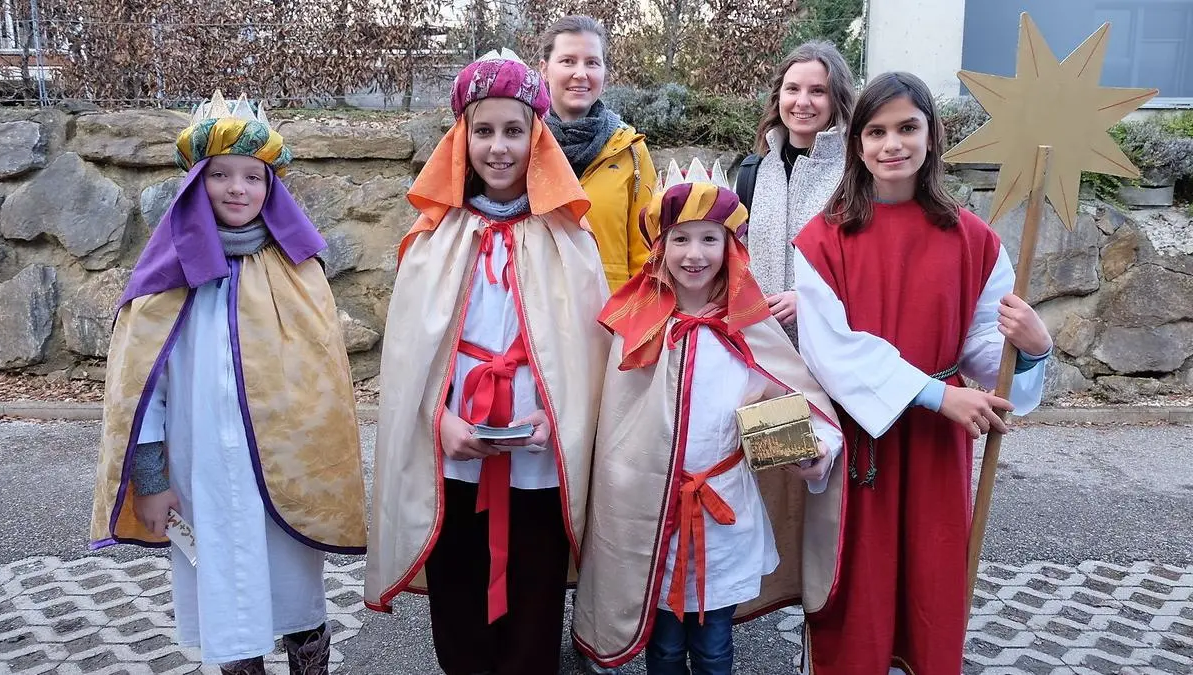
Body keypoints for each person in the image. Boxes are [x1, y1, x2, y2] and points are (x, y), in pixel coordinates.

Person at [90, 91, 367, 675]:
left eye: (252, 176)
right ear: (196, 181)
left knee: (295, 596)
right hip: (202, 475)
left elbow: (325, 386)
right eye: (220, 175)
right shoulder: (165, 278)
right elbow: (143, 393)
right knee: (226, 600)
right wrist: (151, 478)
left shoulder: (298, 272)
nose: (237, 188)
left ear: (272, 186)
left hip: (283, 474)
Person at [793, 72, 1054, 674]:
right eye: (877, 131)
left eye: (908, 128)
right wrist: (939, 396)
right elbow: (835, 351)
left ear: (933, 135)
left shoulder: (975, 240)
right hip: (861, 444)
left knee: (930, 587)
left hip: (937, 449)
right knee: (855, 598)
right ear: (856, 143)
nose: (893, 144)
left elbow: (989, 350)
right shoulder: (824, 239)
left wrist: (1034, 348)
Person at [363, 49, 611, 675]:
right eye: (484, 131)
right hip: (457, 446)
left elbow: (588, 356)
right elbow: (409, 359)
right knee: (458, 589)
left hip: (538, 452)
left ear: (538, 138)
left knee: (536, 591)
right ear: (461, 138)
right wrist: (436, 420)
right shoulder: (433, 239)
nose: (499, 147)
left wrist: (561, 421)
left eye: (514, 130)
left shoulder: (570, 240)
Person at [572, 159, 844, 675]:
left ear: (731, 249)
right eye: (680, 240)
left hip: (725, 514)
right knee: (666, 647)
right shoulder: (636, 325)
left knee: (715, 647)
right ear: (660, 248)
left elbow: (790, 399)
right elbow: (610, 423)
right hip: (649, 515)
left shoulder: (750, 327)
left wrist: (814, 452)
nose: (694, 255)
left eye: (709, 240)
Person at [734, 41, 855, 331]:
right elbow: (737, 258)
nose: (802, 102)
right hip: (760, 350)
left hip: (828, 352)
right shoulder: (752, 172)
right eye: (792, 89)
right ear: (778, 97)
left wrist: (811, 302)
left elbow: (870, 269)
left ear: (836, 99)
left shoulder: (856, 175)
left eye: (817, 91)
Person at [540, 14, 658, 292]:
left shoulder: (630, 150)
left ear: (604, 72)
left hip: (607, 320)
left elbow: (647, 254)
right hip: (534, 316)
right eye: (568, 61)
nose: (580, 73)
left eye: (592, 62)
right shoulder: (524, 147)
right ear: (544, 69)